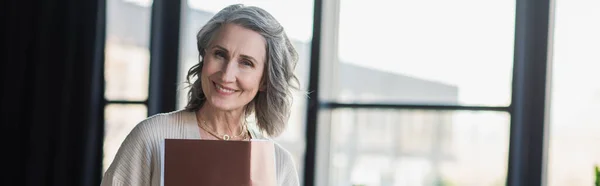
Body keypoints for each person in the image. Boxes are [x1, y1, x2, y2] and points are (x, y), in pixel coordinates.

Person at [101, 4, 301, 186]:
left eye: (246, 63)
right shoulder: (152, 136)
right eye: (220, 54)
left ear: (265, 81)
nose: (226, 75)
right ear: (204, 57)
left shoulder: (278, 163)